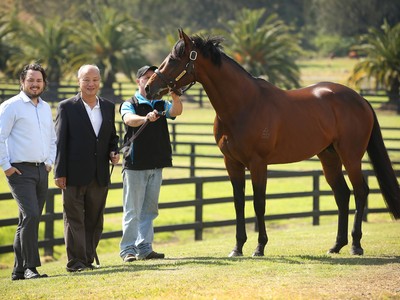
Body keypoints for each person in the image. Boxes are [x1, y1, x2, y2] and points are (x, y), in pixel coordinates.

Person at [54, 64, 119, 272]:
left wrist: (113, 151)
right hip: (72, 174)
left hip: (99, 174)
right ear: (78, 81)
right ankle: (76, 262)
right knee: (74, 219)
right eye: (86, 80)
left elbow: (112, 137)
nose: (91, 84)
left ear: (100, 81)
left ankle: (87, 259)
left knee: (95, 219)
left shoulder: (109, 106)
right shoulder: (66, 107)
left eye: (95, 80)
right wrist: (59, 172)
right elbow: (60, 142)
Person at [119, 65, 183, 262]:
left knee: (149, 209)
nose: (149, 80)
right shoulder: (129, 103)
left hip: (157, 163)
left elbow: (176, 112)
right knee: (133, 210)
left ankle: (144, 247)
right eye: (146, 77)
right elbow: (129, 120)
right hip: (136, 164)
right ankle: (127, 250)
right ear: (138, 81)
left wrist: (175, 97)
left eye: (152, 77)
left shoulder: (160, 103)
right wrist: (145, 117)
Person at [0, 63, 56, 280]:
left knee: (28, 219)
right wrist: (6, 166)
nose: (35, 84)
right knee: (31, 215)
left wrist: (49, 162)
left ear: (44, 83)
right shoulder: (10, 106)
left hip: (41, 170)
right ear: (22, 82)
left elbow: (52, 138)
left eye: (39, 80)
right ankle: (31, 267)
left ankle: (18, 270)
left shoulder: (44, 107)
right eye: (31, 80)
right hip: (19, 171)